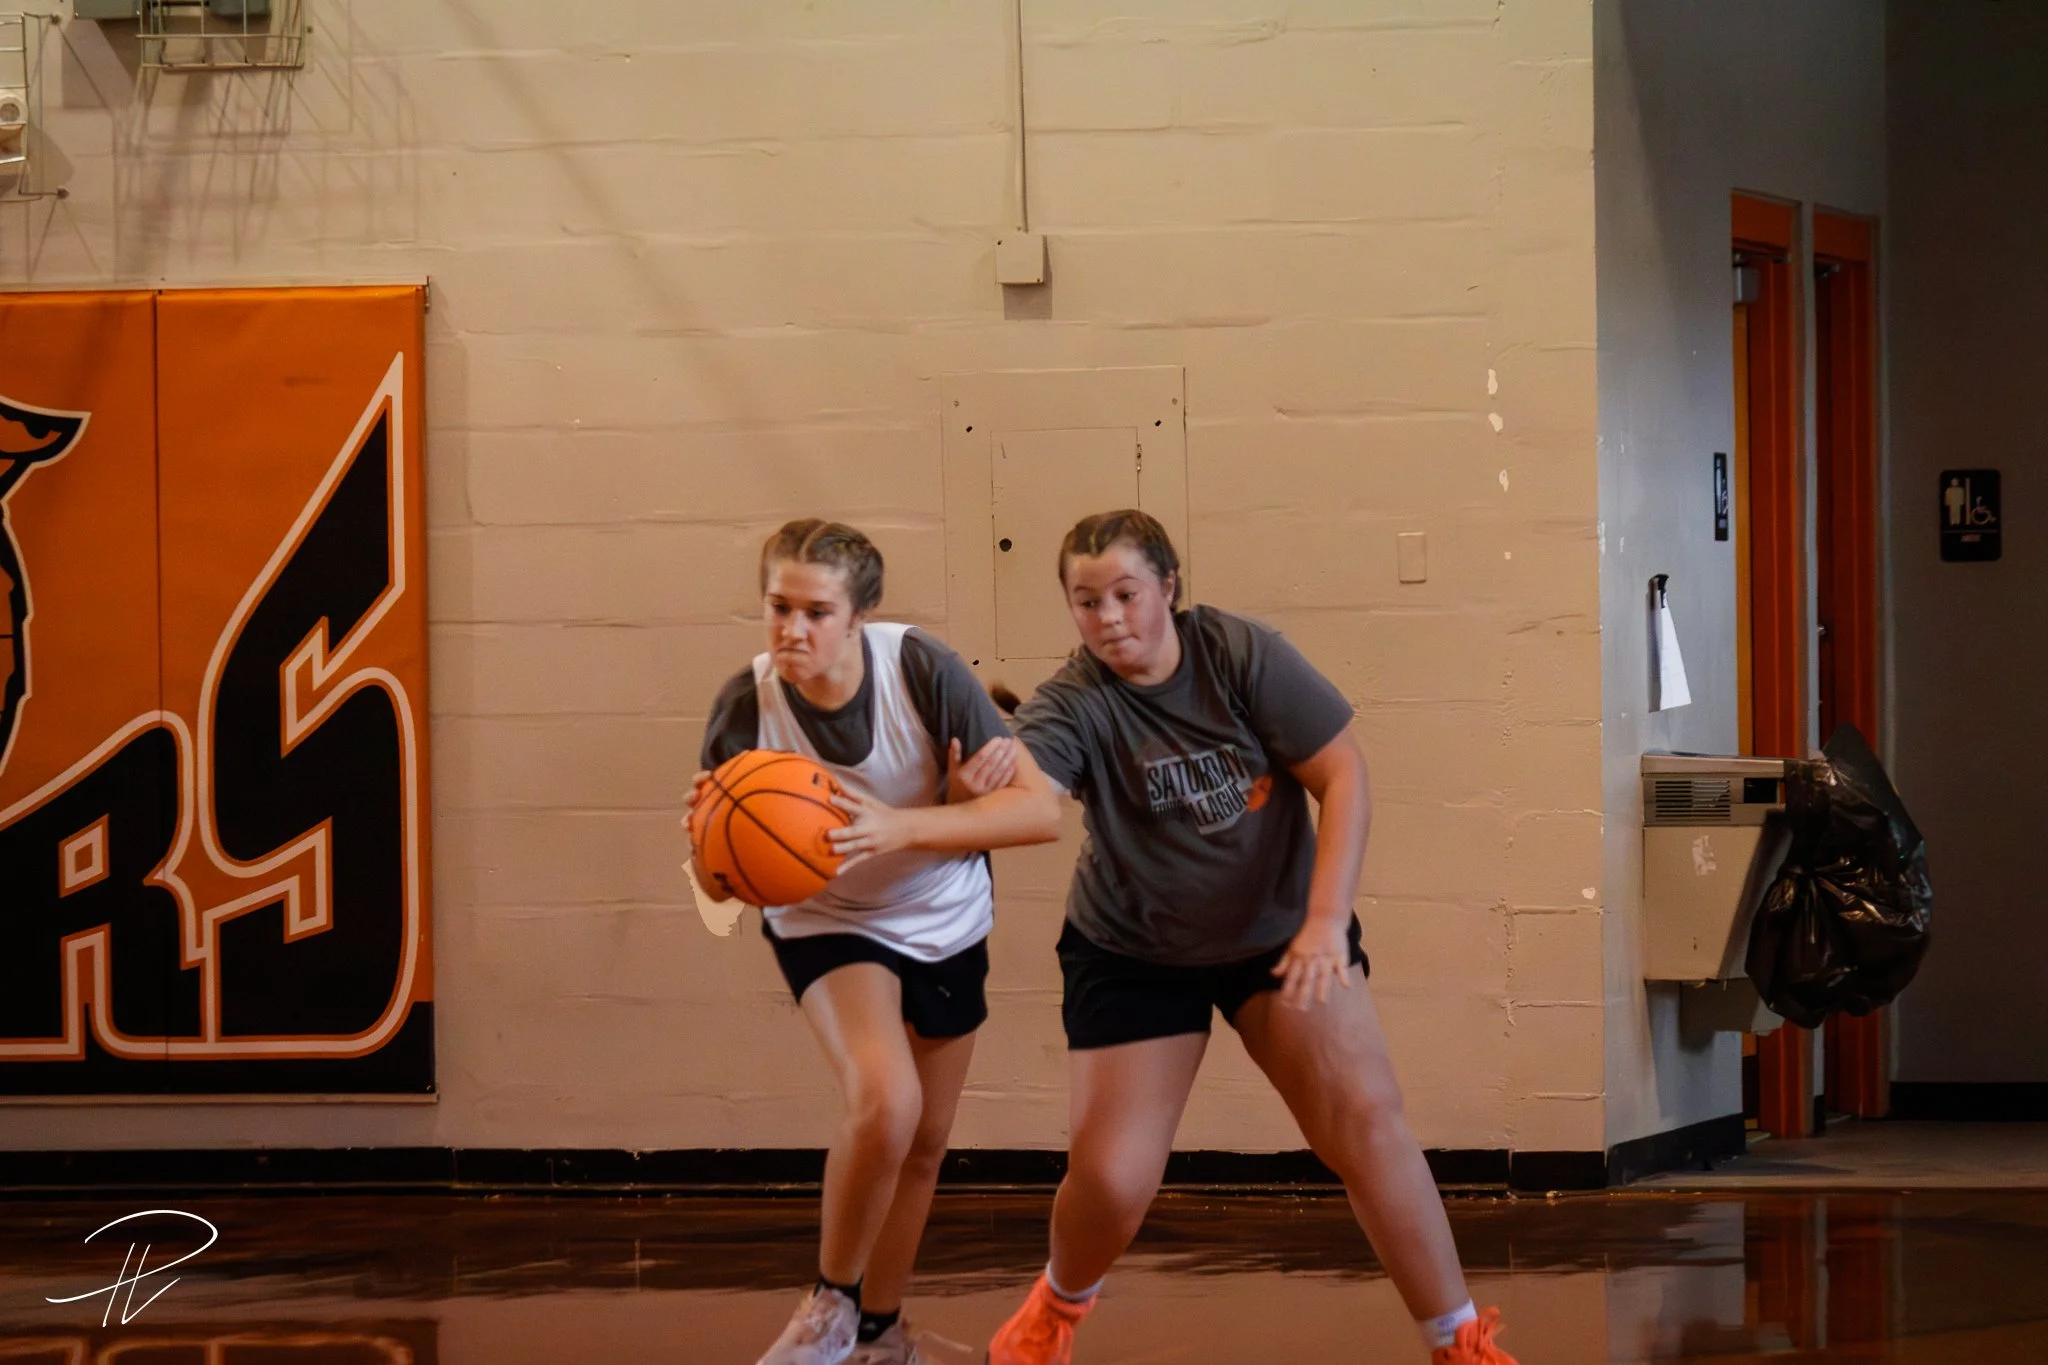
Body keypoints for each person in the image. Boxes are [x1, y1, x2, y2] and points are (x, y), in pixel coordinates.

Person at [984, 510, 1519, 1365]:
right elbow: (1030, 798)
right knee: (1115, 1179)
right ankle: (1057, 1304)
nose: (1110, 617)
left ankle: (1459, 1341)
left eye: (1126, 593)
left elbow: (1342, 773)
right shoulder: (1075, 700)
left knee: (1368, 1123)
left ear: (1168, 586)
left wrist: (1320, 922)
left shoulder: (1236, 655)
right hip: (1134, 948)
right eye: (1087, 602)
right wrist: (979, 774)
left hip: (1280, 930)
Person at [687, 518, 1062, 1365]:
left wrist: (906, 825)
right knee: (885, 1103)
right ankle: (829, 1302)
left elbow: (1040, 812)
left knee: (925, 1138)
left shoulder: (922, 668)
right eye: (778, 606)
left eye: (816, 610)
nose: (792, 629)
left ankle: (880, 1333)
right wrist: (712, 852)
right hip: (827, 919)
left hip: (943, 906)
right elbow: (717, 891)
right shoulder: (747, 704)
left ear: (860, 616)